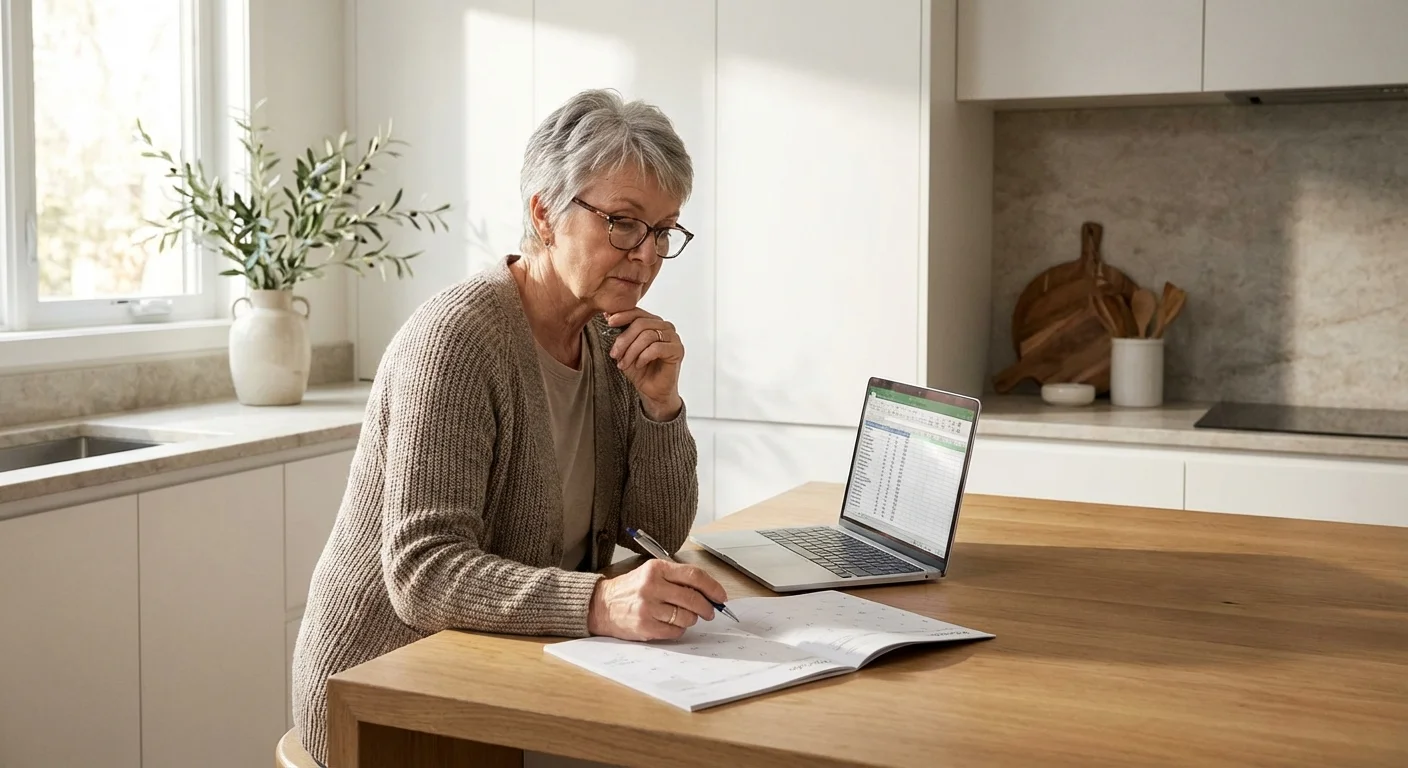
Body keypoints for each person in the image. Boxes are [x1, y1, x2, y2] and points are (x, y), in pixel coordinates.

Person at [291, 89, 729, 764]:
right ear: (545, 213)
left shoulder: (609, 340)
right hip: (386, 697)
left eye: (664, 230)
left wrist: (660, 408)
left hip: (510, 677)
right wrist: (599, 603)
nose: (646, 254)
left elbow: (655, 535)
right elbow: (423, 572)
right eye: (623, 222)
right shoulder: (457, 340)